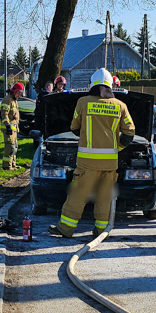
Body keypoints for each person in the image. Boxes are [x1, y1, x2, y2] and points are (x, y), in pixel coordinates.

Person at [49, 68, 135, 238]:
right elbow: (130, 132)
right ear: (110, 85)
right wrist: (116, 148)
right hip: (110, 162)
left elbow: (74, 127)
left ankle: (66, 229)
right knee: (104, 197)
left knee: (78, 194)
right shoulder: (120, 105)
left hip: (87, 162)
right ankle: (101, 231)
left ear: (92, 84)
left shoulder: (83, 102)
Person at [0, 82, 24, 170]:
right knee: (9, 147)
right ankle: (7, 166)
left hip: (13, 129)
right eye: (19, 94)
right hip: (8, 128)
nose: (20, 96)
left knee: (14, 146)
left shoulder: (14, 100)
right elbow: (4, 114)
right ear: (15, 91)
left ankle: (13, 164)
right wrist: (8, 126)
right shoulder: (7, 100)